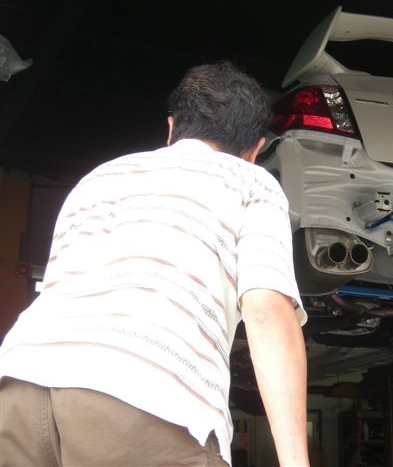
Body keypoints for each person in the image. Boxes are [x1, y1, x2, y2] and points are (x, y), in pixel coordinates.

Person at [0, 61, 310, 467]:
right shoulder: (250, 182)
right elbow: (266, 310)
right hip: (142, 388)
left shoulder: (99, 178)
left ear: (171, 128)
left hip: (18, 383)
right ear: (254, 150)